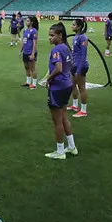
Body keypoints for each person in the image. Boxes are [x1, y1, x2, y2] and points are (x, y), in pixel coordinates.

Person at [44, 22, 77, 160]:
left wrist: (48, 79)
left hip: (57, 87)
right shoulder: (66, 48)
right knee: (64, 116)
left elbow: (58, 68)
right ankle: (71, 146)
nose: (49, 38)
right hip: (67, 84)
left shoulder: (56, 49)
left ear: (60, 35)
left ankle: (59, 151)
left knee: (57, 120)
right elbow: (69, 65)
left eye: (52, 35)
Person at [69, 18, 90, 117]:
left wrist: (79, 69)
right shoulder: (76, 36)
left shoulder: (83, 38)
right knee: (72, 85)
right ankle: (74, 105)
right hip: (74, 65)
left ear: (79, 26)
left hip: (80, 66)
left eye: (73, 25)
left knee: (81, 88)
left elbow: (83, 55)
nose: (71, 26)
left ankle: (83, 110)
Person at [20, 16, 39, 89]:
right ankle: (28, 82)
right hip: (25, 52)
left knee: (32, 68)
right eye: (26, 21)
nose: (26, 22)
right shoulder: (25, 30)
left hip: (30, 52)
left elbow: (34, 43)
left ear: (32, 22)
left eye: (28, 21)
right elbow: (23, 41)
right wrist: (20, 51)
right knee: (26, 67)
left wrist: (33, 54)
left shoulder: (34, 31)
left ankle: (34, 84)